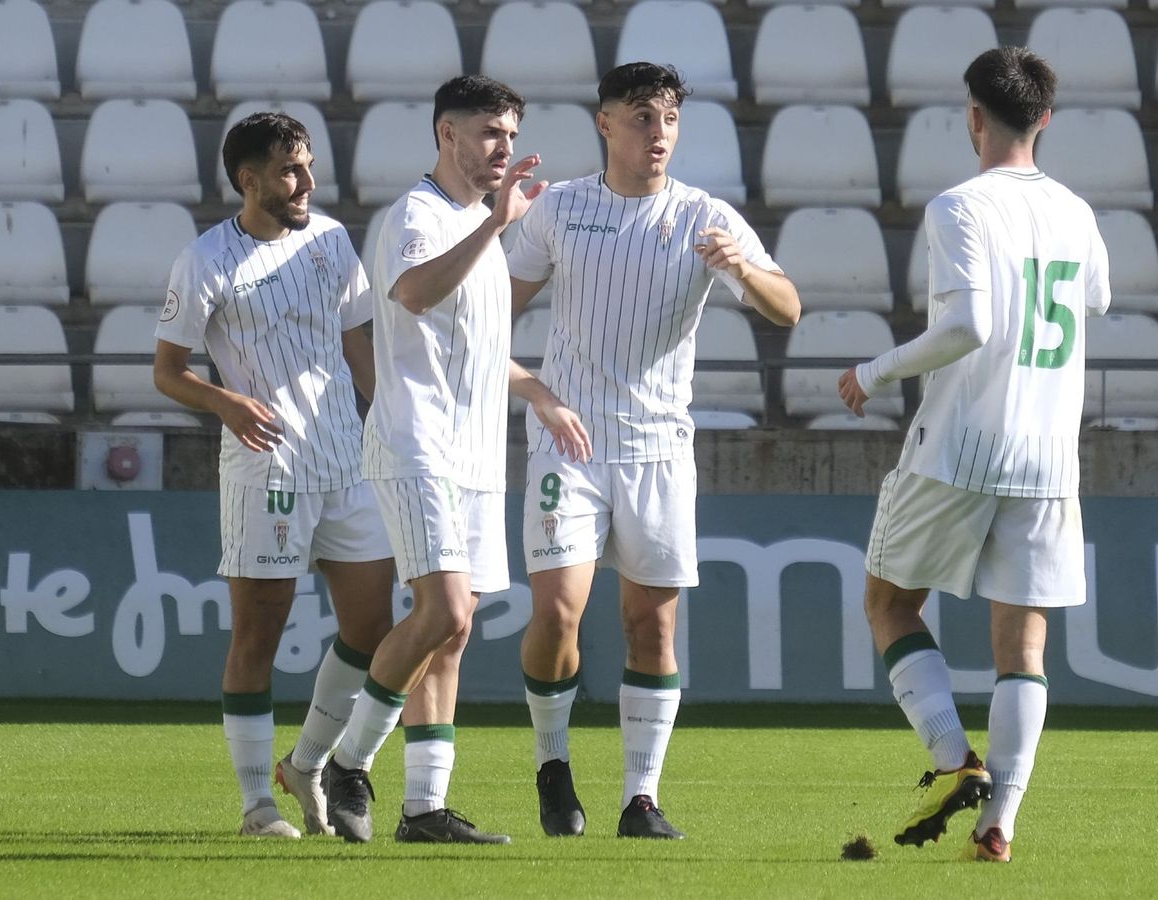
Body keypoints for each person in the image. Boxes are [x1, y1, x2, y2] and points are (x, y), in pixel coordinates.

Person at [505, 62, 801, 840]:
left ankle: (641, 797)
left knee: (652, 628)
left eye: (668, 119)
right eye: (642, 117)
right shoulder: (560, 210)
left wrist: (740, 268)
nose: (658, 134)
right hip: (567, 440)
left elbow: (788, 307)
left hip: (659, 450)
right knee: (559, 612)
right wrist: (532, 391)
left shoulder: (706, 217)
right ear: (604, 123)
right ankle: (551, 761)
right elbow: (486, 318)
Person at [837, 47, 1110, 864]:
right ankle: (1001, 829)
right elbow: (1093, 296)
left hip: (958, 444)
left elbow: (968, 329)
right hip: (1047, 453)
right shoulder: (1077, 211)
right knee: (1022, 648)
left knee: (889, 605)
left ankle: (958, 762)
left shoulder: (960, 206)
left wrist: (872, 371)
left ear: (974, 116)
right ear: (1047, 120)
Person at [317, 75, 591, 845]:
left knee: (455, 633)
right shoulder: (420, 215)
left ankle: (424, 808)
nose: (502, 147)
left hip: (474, 455)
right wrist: (495, 227)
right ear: (447, 134)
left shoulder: (482, 225)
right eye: (489, 133)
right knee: (445, 610)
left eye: (510, 134)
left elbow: (482, 348)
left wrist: (539, 392)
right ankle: (348, 761)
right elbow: (411, 293)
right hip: (416, 444)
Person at [153, 112, 396, 839]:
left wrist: (396, 428)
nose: (307, 183)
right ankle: (258, 802)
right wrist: (223, 399)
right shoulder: (205, 260)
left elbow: (359, 350)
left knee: (373, 625)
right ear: (249, 178)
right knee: (259, 632)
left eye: (309, 166)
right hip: (267, 465)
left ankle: (308, 762)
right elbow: (168, 373)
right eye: (291, 170)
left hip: (347, 460)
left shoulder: (330, 241)